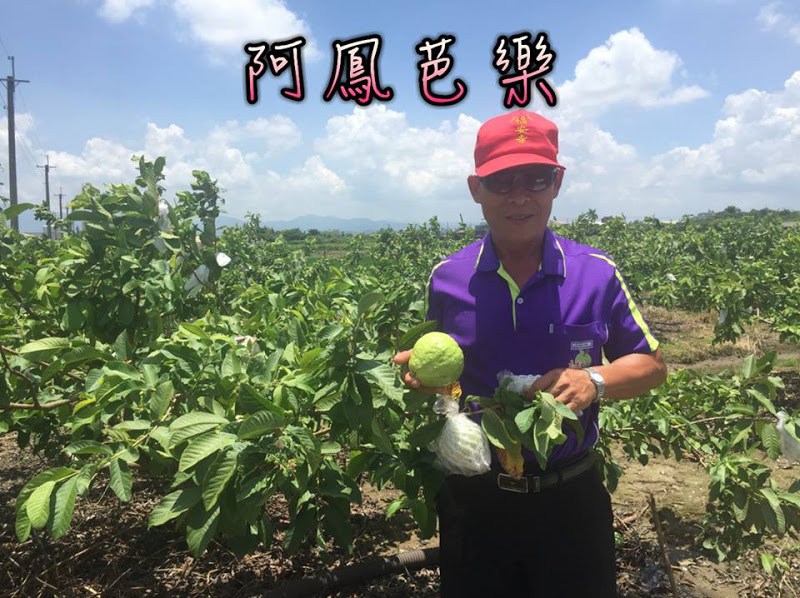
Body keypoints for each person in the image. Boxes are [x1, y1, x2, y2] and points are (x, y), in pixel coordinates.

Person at [393, 109, 667, 597]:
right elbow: (449, 381)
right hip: (475, 498)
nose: (519, 196)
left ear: (557, 183)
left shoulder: (596, 273)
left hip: (570, 498)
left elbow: (650, 365)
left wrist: (594, 380)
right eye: (501, 181)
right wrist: (429, 382)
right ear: (476, 189)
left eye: (536, 178)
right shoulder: (447, 278)